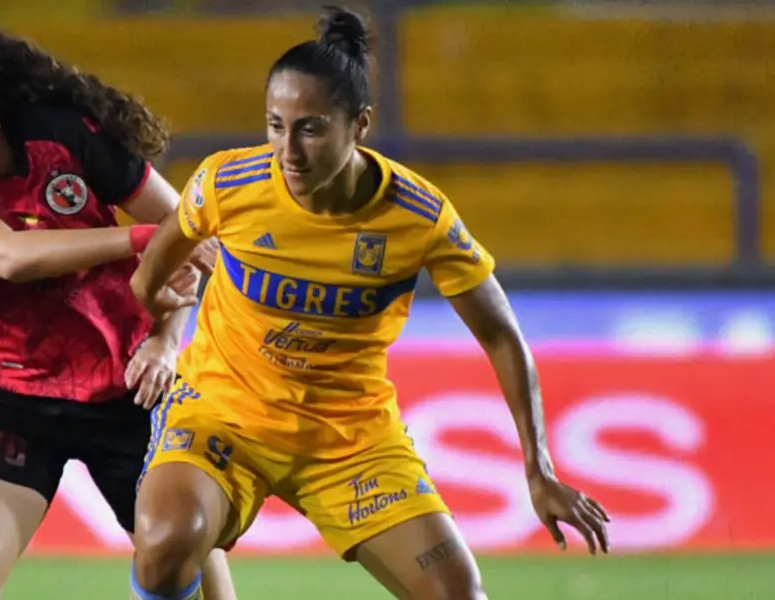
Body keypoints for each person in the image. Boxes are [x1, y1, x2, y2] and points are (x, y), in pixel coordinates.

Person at [128, 7, 611, 600]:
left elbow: (501, 336)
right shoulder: (227, 182)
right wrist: (160, 328)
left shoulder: (418, 216)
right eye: (276, 125)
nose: (288, 150)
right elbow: (150, 275)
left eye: (310, 129)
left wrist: (539, 471)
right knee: (165, 543)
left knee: (459, 594)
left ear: (359, 124)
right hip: (221, 413)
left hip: (350, 442)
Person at [0, 25, 235, 600]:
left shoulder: (66, 134)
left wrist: (166, 341)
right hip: (13, 397)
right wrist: (141, 239)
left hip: (135, 388)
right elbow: (8, 256)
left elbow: (188, 238)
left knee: (194, 585)